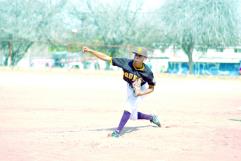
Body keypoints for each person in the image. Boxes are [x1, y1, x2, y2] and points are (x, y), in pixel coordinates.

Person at [82, 46, 161, 138]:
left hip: (142, 88)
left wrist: (140, 93)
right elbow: (107, 58)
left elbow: (152, 88)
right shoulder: (126, 63)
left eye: (140, 55)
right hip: (130, 86)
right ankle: (152, 117)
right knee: (132, 116)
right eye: (135, 54)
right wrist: (91, 50)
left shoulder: (147, 72)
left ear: (145, 58)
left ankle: (117, 132)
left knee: (128, 106)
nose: (136, 57)